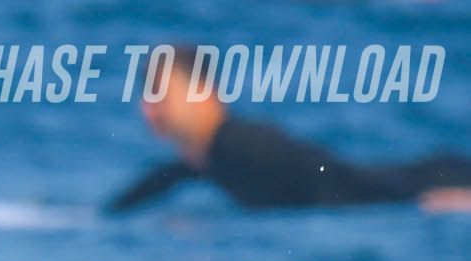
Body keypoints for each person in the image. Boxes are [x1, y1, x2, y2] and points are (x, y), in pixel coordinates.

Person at [108, 49, 471, 214]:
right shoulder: (211, 157)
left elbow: (339, 183)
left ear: (202, 91)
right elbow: (167, 179)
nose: (146, 107)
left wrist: (422, 199)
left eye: (158, 93)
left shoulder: (240, 146)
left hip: (426, 183)